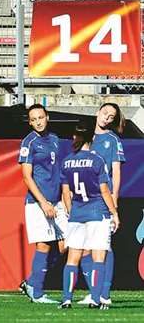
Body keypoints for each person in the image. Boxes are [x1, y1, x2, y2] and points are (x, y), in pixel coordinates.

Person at [58, 119, 120, 310]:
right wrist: (114, 213)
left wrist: (71, 211)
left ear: (75, 137)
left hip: (77, 214)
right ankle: (95, 299)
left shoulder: (67, 161)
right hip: (97, 213)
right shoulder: (97, 160)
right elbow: (104, 190)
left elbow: (65, 193)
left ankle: (66, 299)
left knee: (72, 259)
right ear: (91, 138)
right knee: (98, 258)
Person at [17, 104, 67, 304]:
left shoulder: (55, 139)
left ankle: (30, 283)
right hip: (38, 202)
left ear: (47, 117)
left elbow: (59, 172)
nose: (38, 121)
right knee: (44, 244)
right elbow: (27, 178)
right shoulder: (29, 142)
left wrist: (63, 198)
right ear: (30, 122)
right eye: (34, 119)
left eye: (41, 117)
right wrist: (44, 202)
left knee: (65, 245)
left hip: (57, 201)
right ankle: (37, 293)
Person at [78, 103, 126, 307]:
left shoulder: (113, 140)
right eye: (105, 113)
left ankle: (104, 293)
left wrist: (114, 198)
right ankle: (94, 292)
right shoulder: (86, 136)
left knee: (103, 245)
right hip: (83, 199)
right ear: (98, 112)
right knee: (84, 248)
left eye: (111, 116)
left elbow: (116, 171)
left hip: (103, 198)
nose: (107, 117)